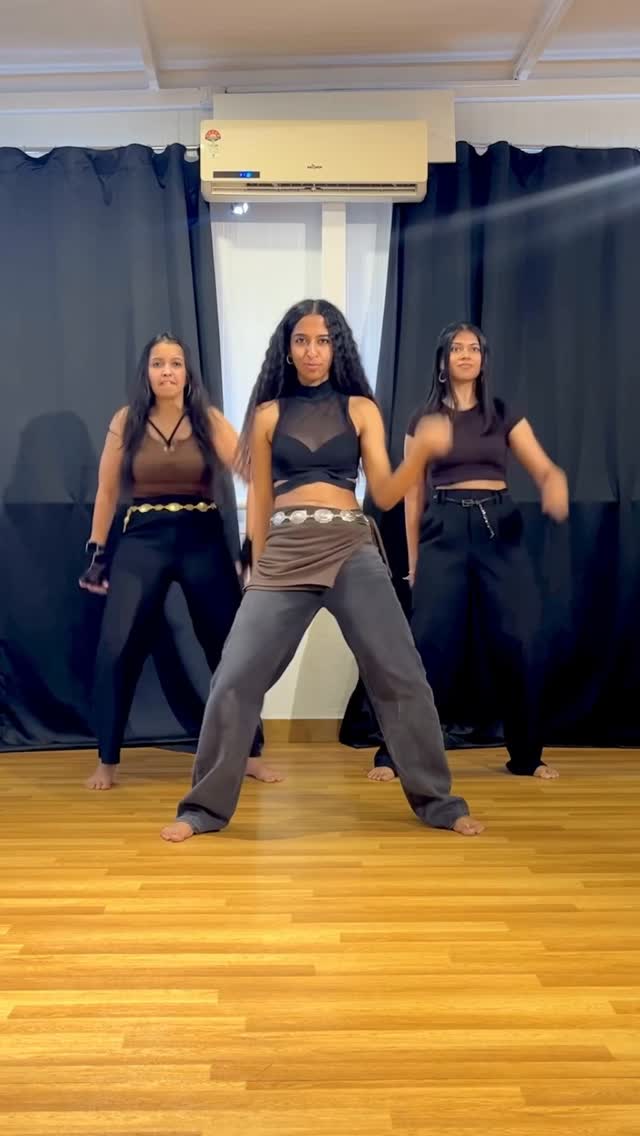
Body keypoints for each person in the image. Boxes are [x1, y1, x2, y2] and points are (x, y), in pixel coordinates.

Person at [160, 300, 484, 842]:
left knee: (401, 672)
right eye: (302, 340)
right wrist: (255, 565)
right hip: (286, 550)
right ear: (287, 350)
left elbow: (384, 493)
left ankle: (439, 801)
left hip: (350, 543)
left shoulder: (361, 409)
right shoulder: (267, 415)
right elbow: (260, 500)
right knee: (234, 677)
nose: (313, 351)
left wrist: (419, 456)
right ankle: (203, 809)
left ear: (337, 348)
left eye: (324, 340)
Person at [368, 321, 569, 783]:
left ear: (482, 359)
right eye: (456, 348)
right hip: (444, 527)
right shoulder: (424, 419)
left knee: (519, 640)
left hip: (499, 526)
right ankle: (396, 753)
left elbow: (542, 467)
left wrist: (552, 482)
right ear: (443, 361)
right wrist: (413, 562)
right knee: (428, 644)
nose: (465, 355)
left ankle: (526, 756)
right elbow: (413, 496)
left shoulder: (501, 413)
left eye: (473, 348)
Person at [79, 332, 280, 789]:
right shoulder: (126, 420)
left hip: (201, 536)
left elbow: (254, 475)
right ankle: (107, 760)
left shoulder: (208, 419)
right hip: (142, 538)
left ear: (187, 374)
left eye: (175, 363)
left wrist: (255, 544)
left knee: (230, 647)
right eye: (158, 364)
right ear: (146, 373)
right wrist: (97, 552)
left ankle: (249, 753)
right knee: (116, 646)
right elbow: (107, 491)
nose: (166, 371)